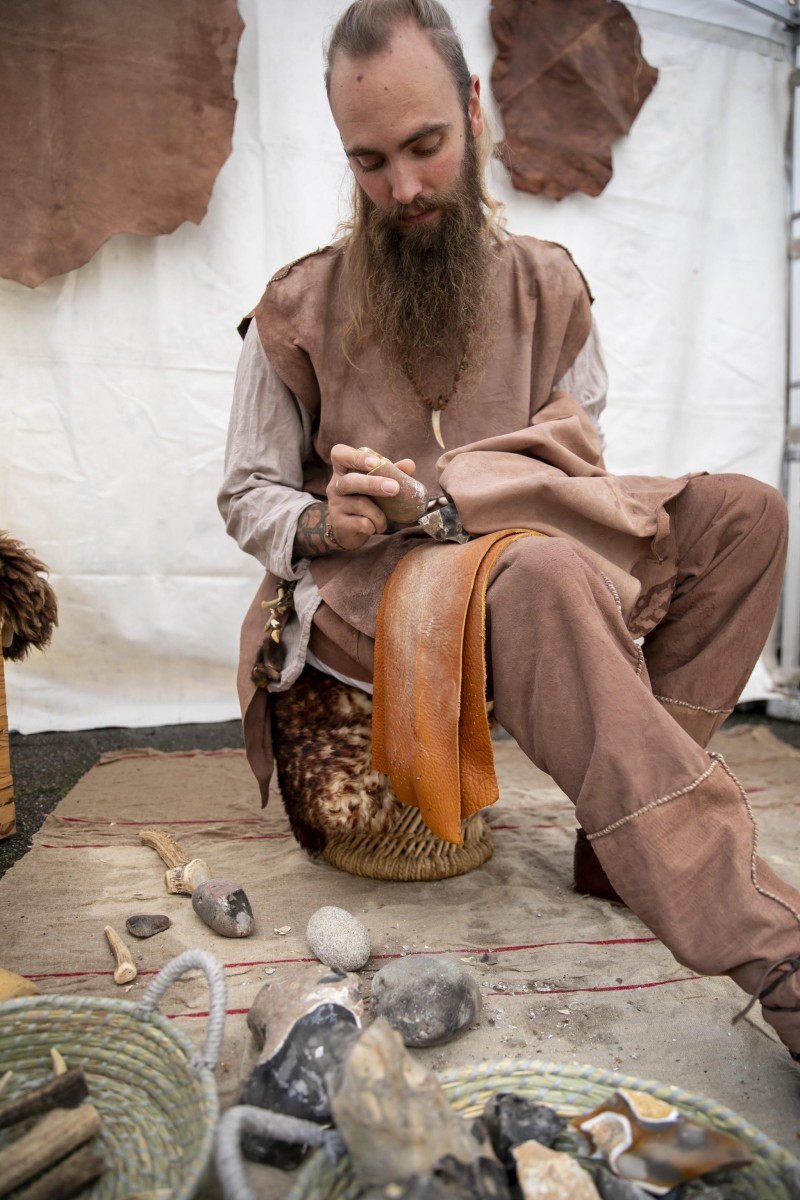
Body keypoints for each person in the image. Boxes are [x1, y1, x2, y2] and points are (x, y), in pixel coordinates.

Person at [219, 0, 800, 1063]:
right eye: (369, 161)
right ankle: (773, 953)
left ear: (474, 111)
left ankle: (612, 840)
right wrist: (324, 519)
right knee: (533, 571)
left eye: (424, 146)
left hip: (522, 558)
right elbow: (246, 493)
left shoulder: (547, 283)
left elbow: (577, 454)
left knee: (744, 515)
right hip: (375, 596)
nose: (400, 189)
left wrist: (468, 498)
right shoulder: (297, 306)